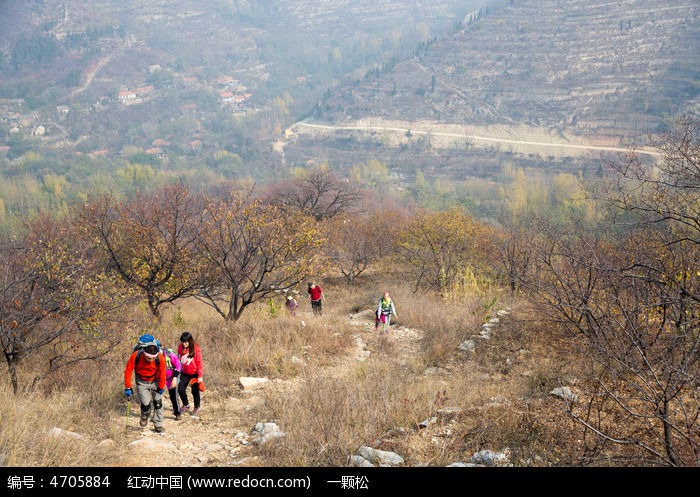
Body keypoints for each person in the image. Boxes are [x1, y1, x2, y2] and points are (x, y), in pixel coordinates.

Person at [124, 334, 167, 432]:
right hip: (142, 381)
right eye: (149, 358)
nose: (151, 360)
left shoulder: (160, 359)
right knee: (145, 404)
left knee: (157, 403)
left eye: (153, 358)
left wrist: (161, 386)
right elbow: (128, 370)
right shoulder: (136, 355)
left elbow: (163, 373)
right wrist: (128, 387)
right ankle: (144, 416)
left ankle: (158, 424)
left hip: (155, 381)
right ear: (144, 353)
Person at [177, 331, 204, 416]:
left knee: (194, 390)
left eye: (186, 342)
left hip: (194, 373)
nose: (184, 344)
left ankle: (197, 407)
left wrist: (200, 376)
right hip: (185, 372)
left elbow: (199, 362)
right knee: (180, 388)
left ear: (190, 341)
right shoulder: (180, 348)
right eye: (182, 342)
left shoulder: (196, 348)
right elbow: (179, 360)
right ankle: (186, 404)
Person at [160, 343, 182, 420]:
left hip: (173, 377)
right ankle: (158, 416)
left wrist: (175, 378)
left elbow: (179, 366)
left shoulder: (170, 355)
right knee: (157, 395)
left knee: (173, 395)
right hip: (161, 377)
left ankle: (177, 413)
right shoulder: (153, 357)